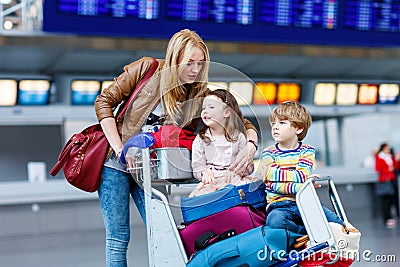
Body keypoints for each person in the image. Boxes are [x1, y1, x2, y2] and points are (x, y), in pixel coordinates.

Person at [94, 29, 258, 266]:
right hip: (115, 164)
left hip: (150, 171)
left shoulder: (198, 91)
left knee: (164, 231)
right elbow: (104, 102)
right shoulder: (145, 69)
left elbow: (238, 119)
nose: (195, 69)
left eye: (200, 63)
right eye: (189, 62)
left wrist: (250, 144)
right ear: (174, 58)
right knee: (119, 236)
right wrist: (121, 149)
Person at [260, 101, 342, 235]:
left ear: (298, 128)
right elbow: (271, 185)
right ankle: (305, 234)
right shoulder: (268, 153)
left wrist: (276, 175)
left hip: (305, 202)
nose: (275, 127)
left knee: (337, 223)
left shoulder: (307, 150)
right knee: (275, 221)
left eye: (282, 123)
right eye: (273, 123)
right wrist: (303, 186)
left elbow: (301, 175)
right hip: (278, 205)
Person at [189, 89, 258, 197]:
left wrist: (237, 172)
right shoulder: (200, 139)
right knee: (198, 201)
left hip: (235, 181)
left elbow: (249, 166)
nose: (205, 111)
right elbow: (197, 167)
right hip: (211, 183)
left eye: (211, 107)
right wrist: (204, 173)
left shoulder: (238, 137)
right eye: (203, 108)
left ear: (227, 112)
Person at [374, 143, 400, 228]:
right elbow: (378, 169)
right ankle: (386, 218)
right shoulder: (380, 157)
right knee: (385, 201)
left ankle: (390, 217)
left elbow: (395, 167)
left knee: (391, 200)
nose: (388, 150)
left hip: (391, 180)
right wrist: (387, 169)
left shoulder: (390, 157)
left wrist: (396, 160)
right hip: (385, 181)